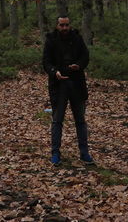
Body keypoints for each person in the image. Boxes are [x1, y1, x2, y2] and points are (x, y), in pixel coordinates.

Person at [42, 15, 92, 166]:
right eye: (62, 25)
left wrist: (79, 65)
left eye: (66, 25)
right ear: (57, 25)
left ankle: (84, 153)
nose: (64, 28)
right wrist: (54, 72)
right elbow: (46, 61)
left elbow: (85, 56)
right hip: (59, 86)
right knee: (57, 120)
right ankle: (55, 153)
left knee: (80, 121)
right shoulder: (51, 40)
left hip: (77, 84)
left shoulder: (77, 38)